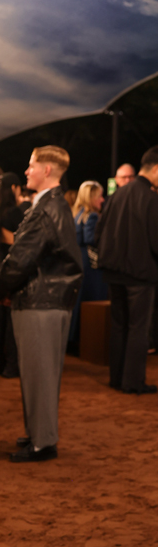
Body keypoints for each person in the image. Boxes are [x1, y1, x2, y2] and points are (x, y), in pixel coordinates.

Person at [0, 145, 82, 462]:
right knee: (39, 372)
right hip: (47, 299)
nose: (27, 171)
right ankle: (39, 434)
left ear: (46, 170)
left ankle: (43, 442)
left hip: (40, 301)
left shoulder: (46, 208)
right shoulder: (54, 204)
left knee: (39, 373)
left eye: (31, 166)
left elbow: (19, 260)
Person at [96, 145, 158, 394]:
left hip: (113, 272)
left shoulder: (116, 196)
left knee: (120, 326)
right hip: (140, 274)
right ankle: (132, 382)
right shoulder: (152, 198)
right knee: (138, 328)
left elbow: (99, 233)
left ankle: (117, 378)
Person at [0, 172, 25, 378]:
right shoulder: (14, 213)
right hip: (9, 265)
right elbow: (16, 245)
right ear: (14, 188)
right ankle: (11, 366)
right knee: (10, 318)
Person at [68, 181, 106, 350]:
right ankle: (89, 341)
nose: (102, 200)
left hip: (80, 259)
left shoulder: (77, 213)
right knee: (93, 300)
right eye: (99, 196)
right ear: (91, 197)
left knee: (80, 301)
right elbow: (90, 238)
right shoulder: (91, 215)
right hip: (90, 264)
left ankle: (74, 338)